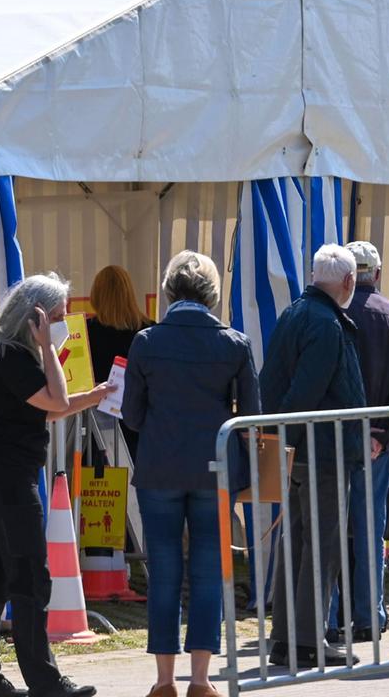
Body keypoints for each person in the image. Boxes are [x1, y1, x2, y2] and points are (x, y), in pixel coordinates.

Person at [0, 273, 115, 697]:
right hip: (9, 479)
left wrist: (95, 395)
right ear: (36, 318)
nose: (64, 324)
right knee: (30, 578)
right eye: (58, 317)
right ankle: (44, 681)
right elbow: (57, 402)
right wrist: (48, 346)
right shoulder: (16, 355)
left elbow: (43, 410)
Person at [121, 251, 261, 697]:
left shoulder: (146, 341)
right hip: (214, 468)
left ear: (168, 290)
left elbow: (132, 415)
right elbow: (251, 416)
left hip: (159, 466)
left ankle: (164, 680)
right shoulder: (234, 343)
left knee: (163, 572)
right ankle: (200, 679)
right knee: (207, 571)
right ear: (212, 293)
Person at [261, 244, 369, 669]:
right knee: (320, 545)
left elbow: (274, 380)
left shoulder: (293, 314)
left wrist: (277, 434)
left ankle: (287, 638)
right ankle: (306, 640)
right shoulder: (327, 324)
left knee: (298, 541)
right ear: (347, 282)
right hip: (322, 447)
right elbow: (307, 391)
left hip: (298, 448)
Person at [326, 242, 389, 644]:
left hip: (330, 437)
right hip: (378, 441)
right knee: (369, 528)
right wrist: (383, 434)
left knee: (327, 525)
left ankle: (328, 616)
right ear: (376, 273)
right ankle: (370, 615)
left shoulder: (330, 312)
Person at [85, 265, 154, 461]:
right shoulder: (151, 332)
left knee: (98, 489)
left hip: (95, 434)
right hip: (140, 429)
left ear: (96, 295)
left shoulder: (86, 333)